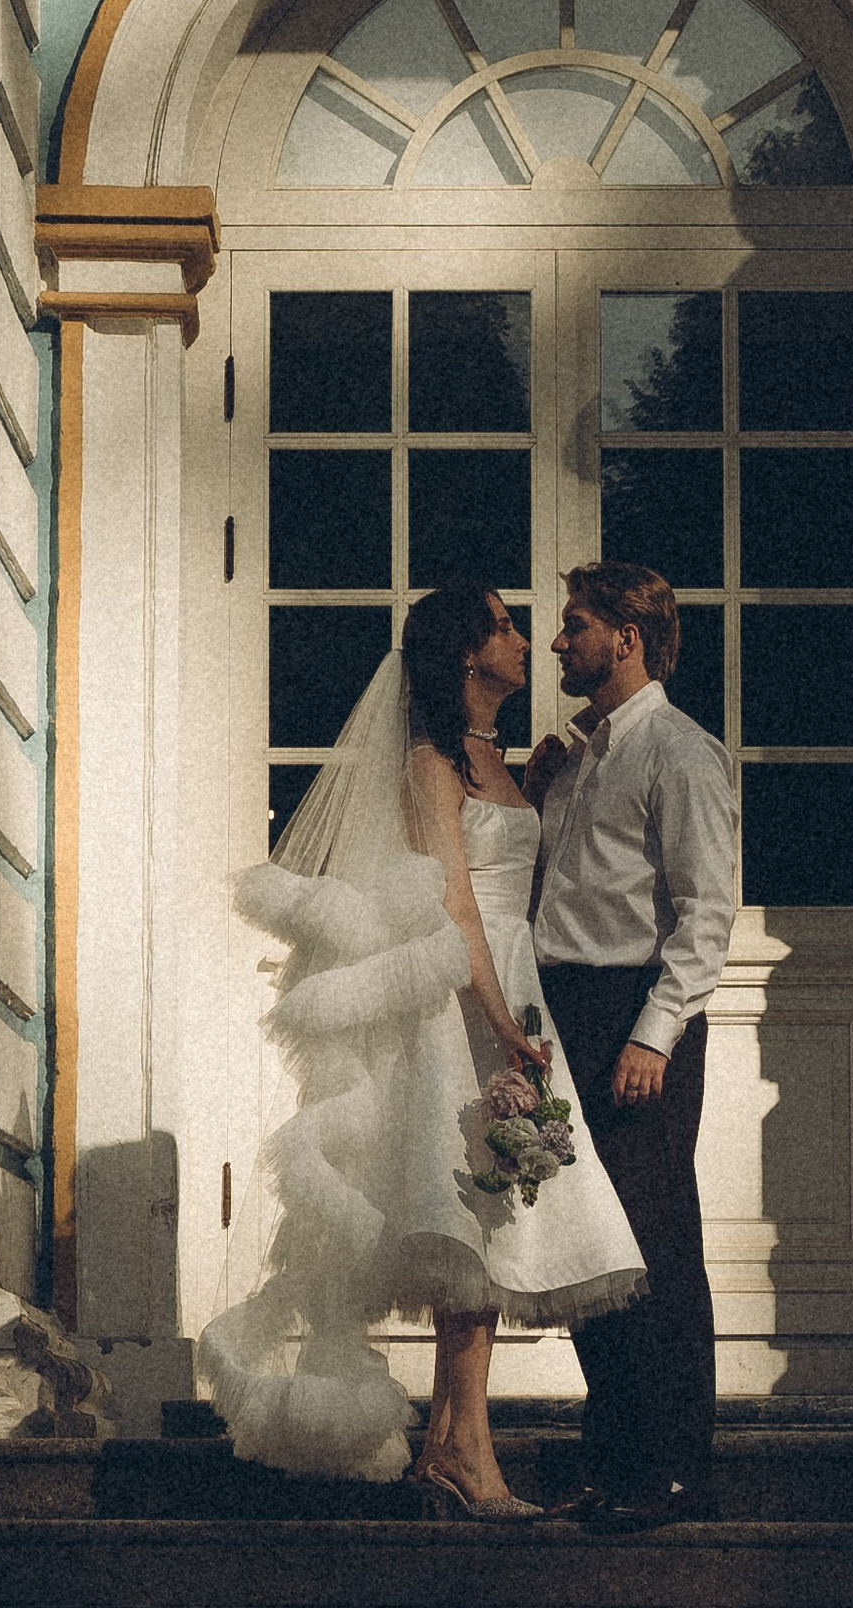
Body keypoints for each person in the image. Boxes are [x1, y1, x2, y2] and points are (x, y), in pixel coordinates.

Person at [201, 585, 645, 1512]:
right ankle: (468, 1455)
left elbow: (516, 857)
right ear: (464, 655)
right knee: (469, 1226)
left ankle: (451, 1443)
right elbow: (453, 905)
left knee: (491, 1224)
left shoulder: (498, 760)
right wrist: (497, 1018)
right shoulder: (427, 766)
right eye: (505, 627)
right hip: (461, 1002)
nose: (526, 641)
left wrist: (547, 770)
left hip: (512, 991)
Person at [524, 560, 736, 1531]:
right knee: (588, 1252)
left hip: (633, 1017)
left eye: (573, 627)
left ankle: (675, 1467)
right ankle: (610, 1460)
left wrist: (655, 1033)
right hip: (564, 1012)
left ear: (626, 638)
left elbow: (704, 914)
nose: (558, 644)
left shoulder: (682, 753)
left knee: (654, 1244)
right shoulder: (575, 756)